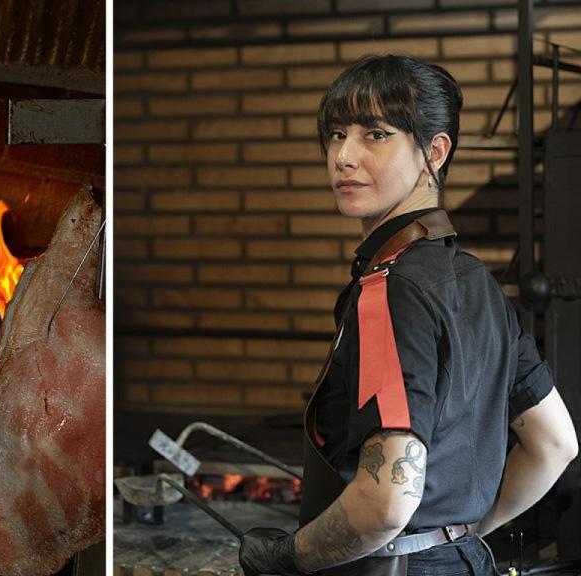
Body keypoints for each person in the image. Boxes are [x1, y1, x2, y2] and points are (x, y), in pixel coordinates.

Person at [238, 55, 578, 575]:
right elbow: (553, 442)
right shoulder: (478, 282)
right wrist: (455, 537)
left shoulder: (389, 290)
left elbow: (387, 502)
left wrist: (290, 557)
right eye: (335, 134)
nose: (343, 156)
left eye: (375, 134)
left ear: (434, 152)